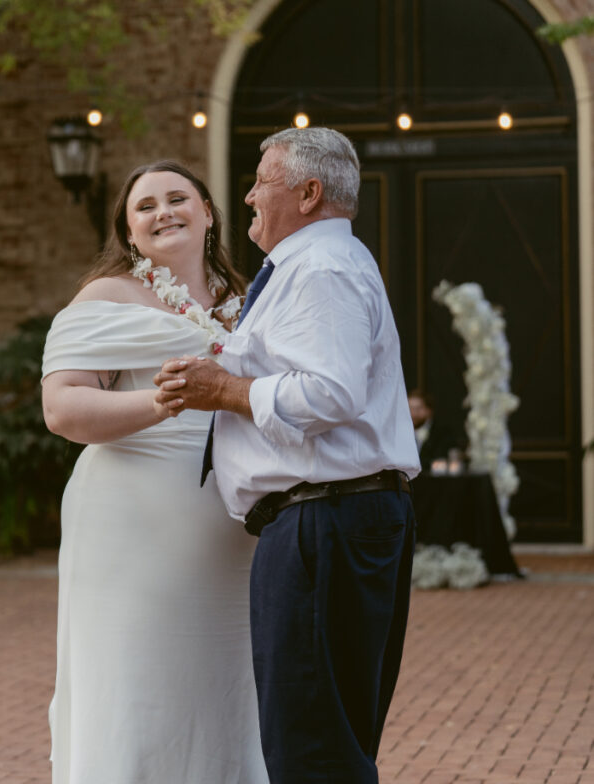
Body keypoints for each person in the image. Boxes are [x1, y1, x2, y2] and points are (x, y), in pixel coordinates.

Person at [155, 127, 421, 784]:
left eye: (260, 180)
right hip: (335, 518)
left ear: (307, 193)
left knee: (309, 747)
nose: (246, 195)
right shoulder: (316, 266)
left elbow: (329, 394)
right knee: (327, 738)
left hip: (322, 523)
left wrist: (222, 389)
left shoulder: (320, 268)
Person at [41, 159, 269, 784]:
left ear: (208, 214)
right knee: (140, 678)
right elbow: (61, 407)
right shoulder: (107, 296)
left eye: (178, 198)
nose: (163, 211)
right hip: (131, 524)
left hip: (231, 532)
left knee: (225, 683)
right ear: (130, 232)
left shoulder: (248, 301)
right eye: (146, 206)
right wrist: (161, 402)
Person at [407, 388, 459, 471]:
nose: (414, 413)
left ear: (429, 410)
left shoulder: (442, 433)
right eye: (410, 408)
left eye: (418, 408)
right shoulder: (401, 433)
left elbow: (440, 461)